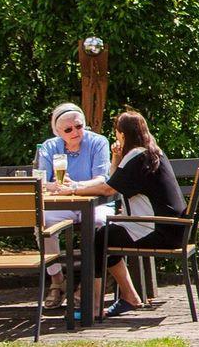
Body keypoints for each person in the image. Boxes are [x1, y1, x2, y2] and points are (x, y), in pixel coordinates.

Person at [65, 109, 185, 318]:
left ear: (122, 134)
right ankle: (130, 297)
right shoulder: (151, 152)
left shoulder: (137, 156)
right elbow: (115, 182)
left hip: (157, 230)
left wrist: (72, 190)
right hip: (173, 229)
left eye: (117, 132)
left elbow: (107, 189)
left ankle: (94, 306)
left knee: (99, 238)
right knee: (106, 234)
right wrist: (115, 157)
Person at [34, 103, 113, 311]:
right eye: (68, 130)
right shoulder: (49, 147)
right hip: (63, 203)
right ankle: (57, 280)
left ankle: (90, 281)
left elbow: (101, 179)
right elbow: (42, 180)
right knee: (42, 223)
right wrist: (56, 186)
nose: (75, 132)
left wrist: (75, 186)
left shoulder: (98, 142)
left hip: (95, 202)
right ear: (58, 132)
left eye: (79, 126)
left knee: (99, 222)